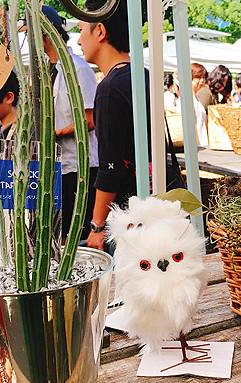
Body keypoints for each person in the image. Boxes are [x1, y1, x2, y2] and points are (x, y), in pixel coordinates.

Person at [78, 0, 150, 251]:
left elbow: (111, 167)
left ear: (100, 31)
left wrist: (97, 226)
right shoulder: (142, 74)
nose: (78, 40)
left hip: (131, 218)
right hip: (155, 206)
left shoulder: (109, 89)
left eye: (81, 30)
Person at [41, 5, 99, 241]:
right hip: (59, 167)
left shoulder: (78, 68)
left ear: (45, 35)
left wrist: (55, 133)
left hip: (80, 167)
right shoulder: (49, 70)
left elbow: (90, 119)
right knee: (61, 233)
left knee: (77, 236)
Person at [191, 63, 208, 147]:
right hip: (195, 148)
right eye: (198, 77)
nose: (202, 80)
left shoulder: (196, 98)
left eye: (204, 77)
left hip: (202, 145)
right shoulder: (187, 100)